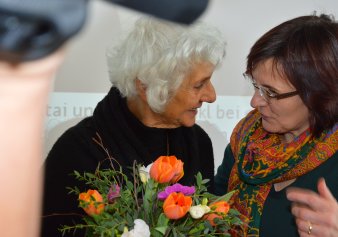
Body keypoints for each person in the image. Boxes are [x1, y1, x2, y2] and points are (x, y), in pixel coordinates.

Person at [41, 17, 226, 237]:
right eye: (199, 85)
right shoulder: (78, 151)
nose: (211, 96)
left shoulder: (198, 143)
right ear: (147, 86)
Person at [214, 13, 338, 237]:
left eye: (270, 92)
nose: (255, 101)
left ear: (319, 94)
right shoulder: (247, 139)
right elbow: (211, 208)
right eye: (255, 85)